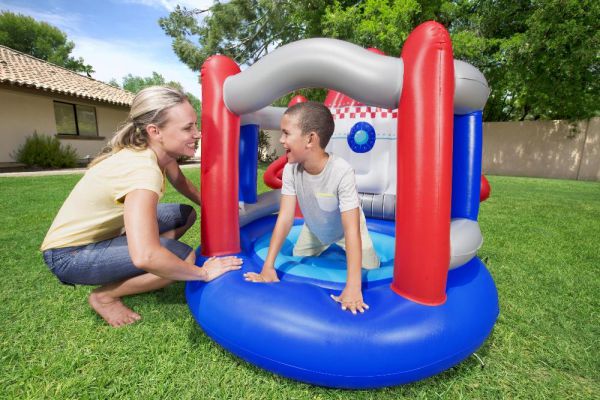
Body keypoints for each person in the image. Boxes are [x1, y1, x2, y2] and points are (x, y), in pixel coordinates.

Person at [40, 86, 242, 327]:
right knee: (183, 258)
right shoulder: (142, 170)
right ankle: (105, 296)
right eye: (187, 128)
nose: (197, 134)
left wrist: (218, 208)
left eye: (195, 125)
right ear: (155, 131)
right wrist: (203, 273)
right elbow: (145, 256)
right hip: (70, 256)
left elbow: (181, 182)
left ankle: (154, 270)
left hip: (101, 238)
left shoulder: (156, 152)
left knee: (183, 215)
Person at [243, 101, 379, 314]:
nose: (281, 139)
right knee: (298, 257)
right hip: (314, 229)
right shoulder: (291, 170)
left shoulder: (341, 171)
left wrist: (353, 287)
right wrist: (267, 267)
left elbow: (352, 230)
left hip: (347, 230)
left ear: (310, 139)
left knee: (373, 269)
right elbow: (285, 218)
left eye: (286, 133)